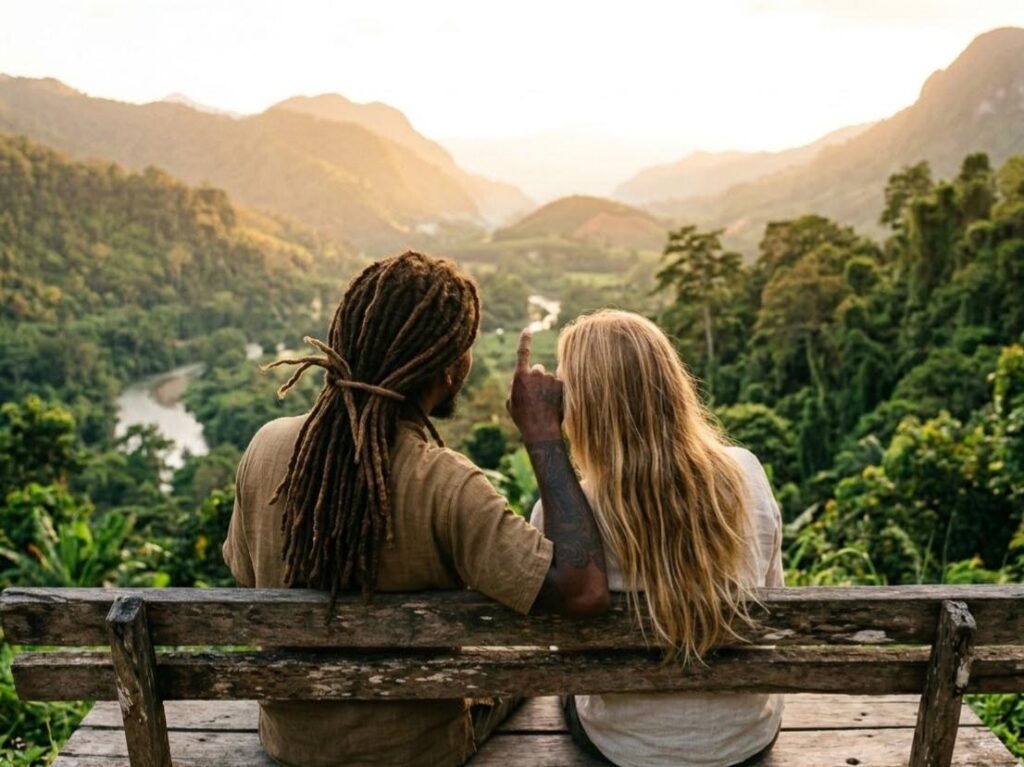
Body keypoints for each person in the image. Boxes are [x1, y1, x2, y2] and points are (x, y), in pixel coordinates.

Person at [222, 251, 609, 767]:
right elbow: (583, 592)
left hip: (293, 744)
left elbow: (246, 575)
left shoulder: (266, 447)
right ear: (450, 372)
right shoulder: (446, 484)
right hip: (419, 752)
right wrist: (542, 433)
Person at [530, 309, 785, 767]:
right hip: (743, 738)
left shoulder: (564, 515)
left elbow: (563, 643)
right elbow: (773, 603)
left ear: (580, 408)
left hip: (626, 747)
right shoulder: (747, 474)